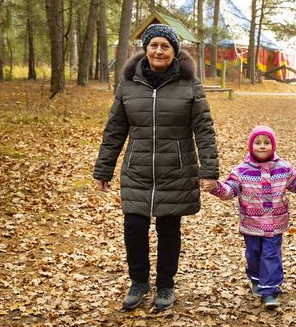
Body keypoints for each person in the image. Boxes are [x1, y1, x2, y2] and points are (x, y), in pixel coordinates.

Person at [93, 24, 219, 312]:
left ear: (175, 51)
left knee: (168, 228)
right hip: (137, 168)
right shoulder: (128, 83)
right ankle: (138, 282)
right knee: (134, 227)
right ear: (145, 49)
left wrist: (209, 170)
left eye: (165, 46)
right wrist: (104, 169)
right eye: (154, 45)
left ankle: (165, 285)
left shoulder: (189, 84)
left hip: (175, 169)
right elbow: (114, 129)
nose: (159, 51)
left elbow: (204, 129)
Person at [201, 125, 296, 310]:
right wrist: (216, 187)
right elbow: (230, 189)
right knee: (253, 254)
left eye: (267, 142)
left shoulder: (283, 168)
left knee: (271, 254)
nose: (262, 146)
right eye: (257, 143)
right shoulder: (241, 171)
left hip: (275, 224)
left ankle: (270, 290)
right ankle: (257, 279)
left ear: (273, 145)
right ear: (251, 146)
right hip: (252, 224)